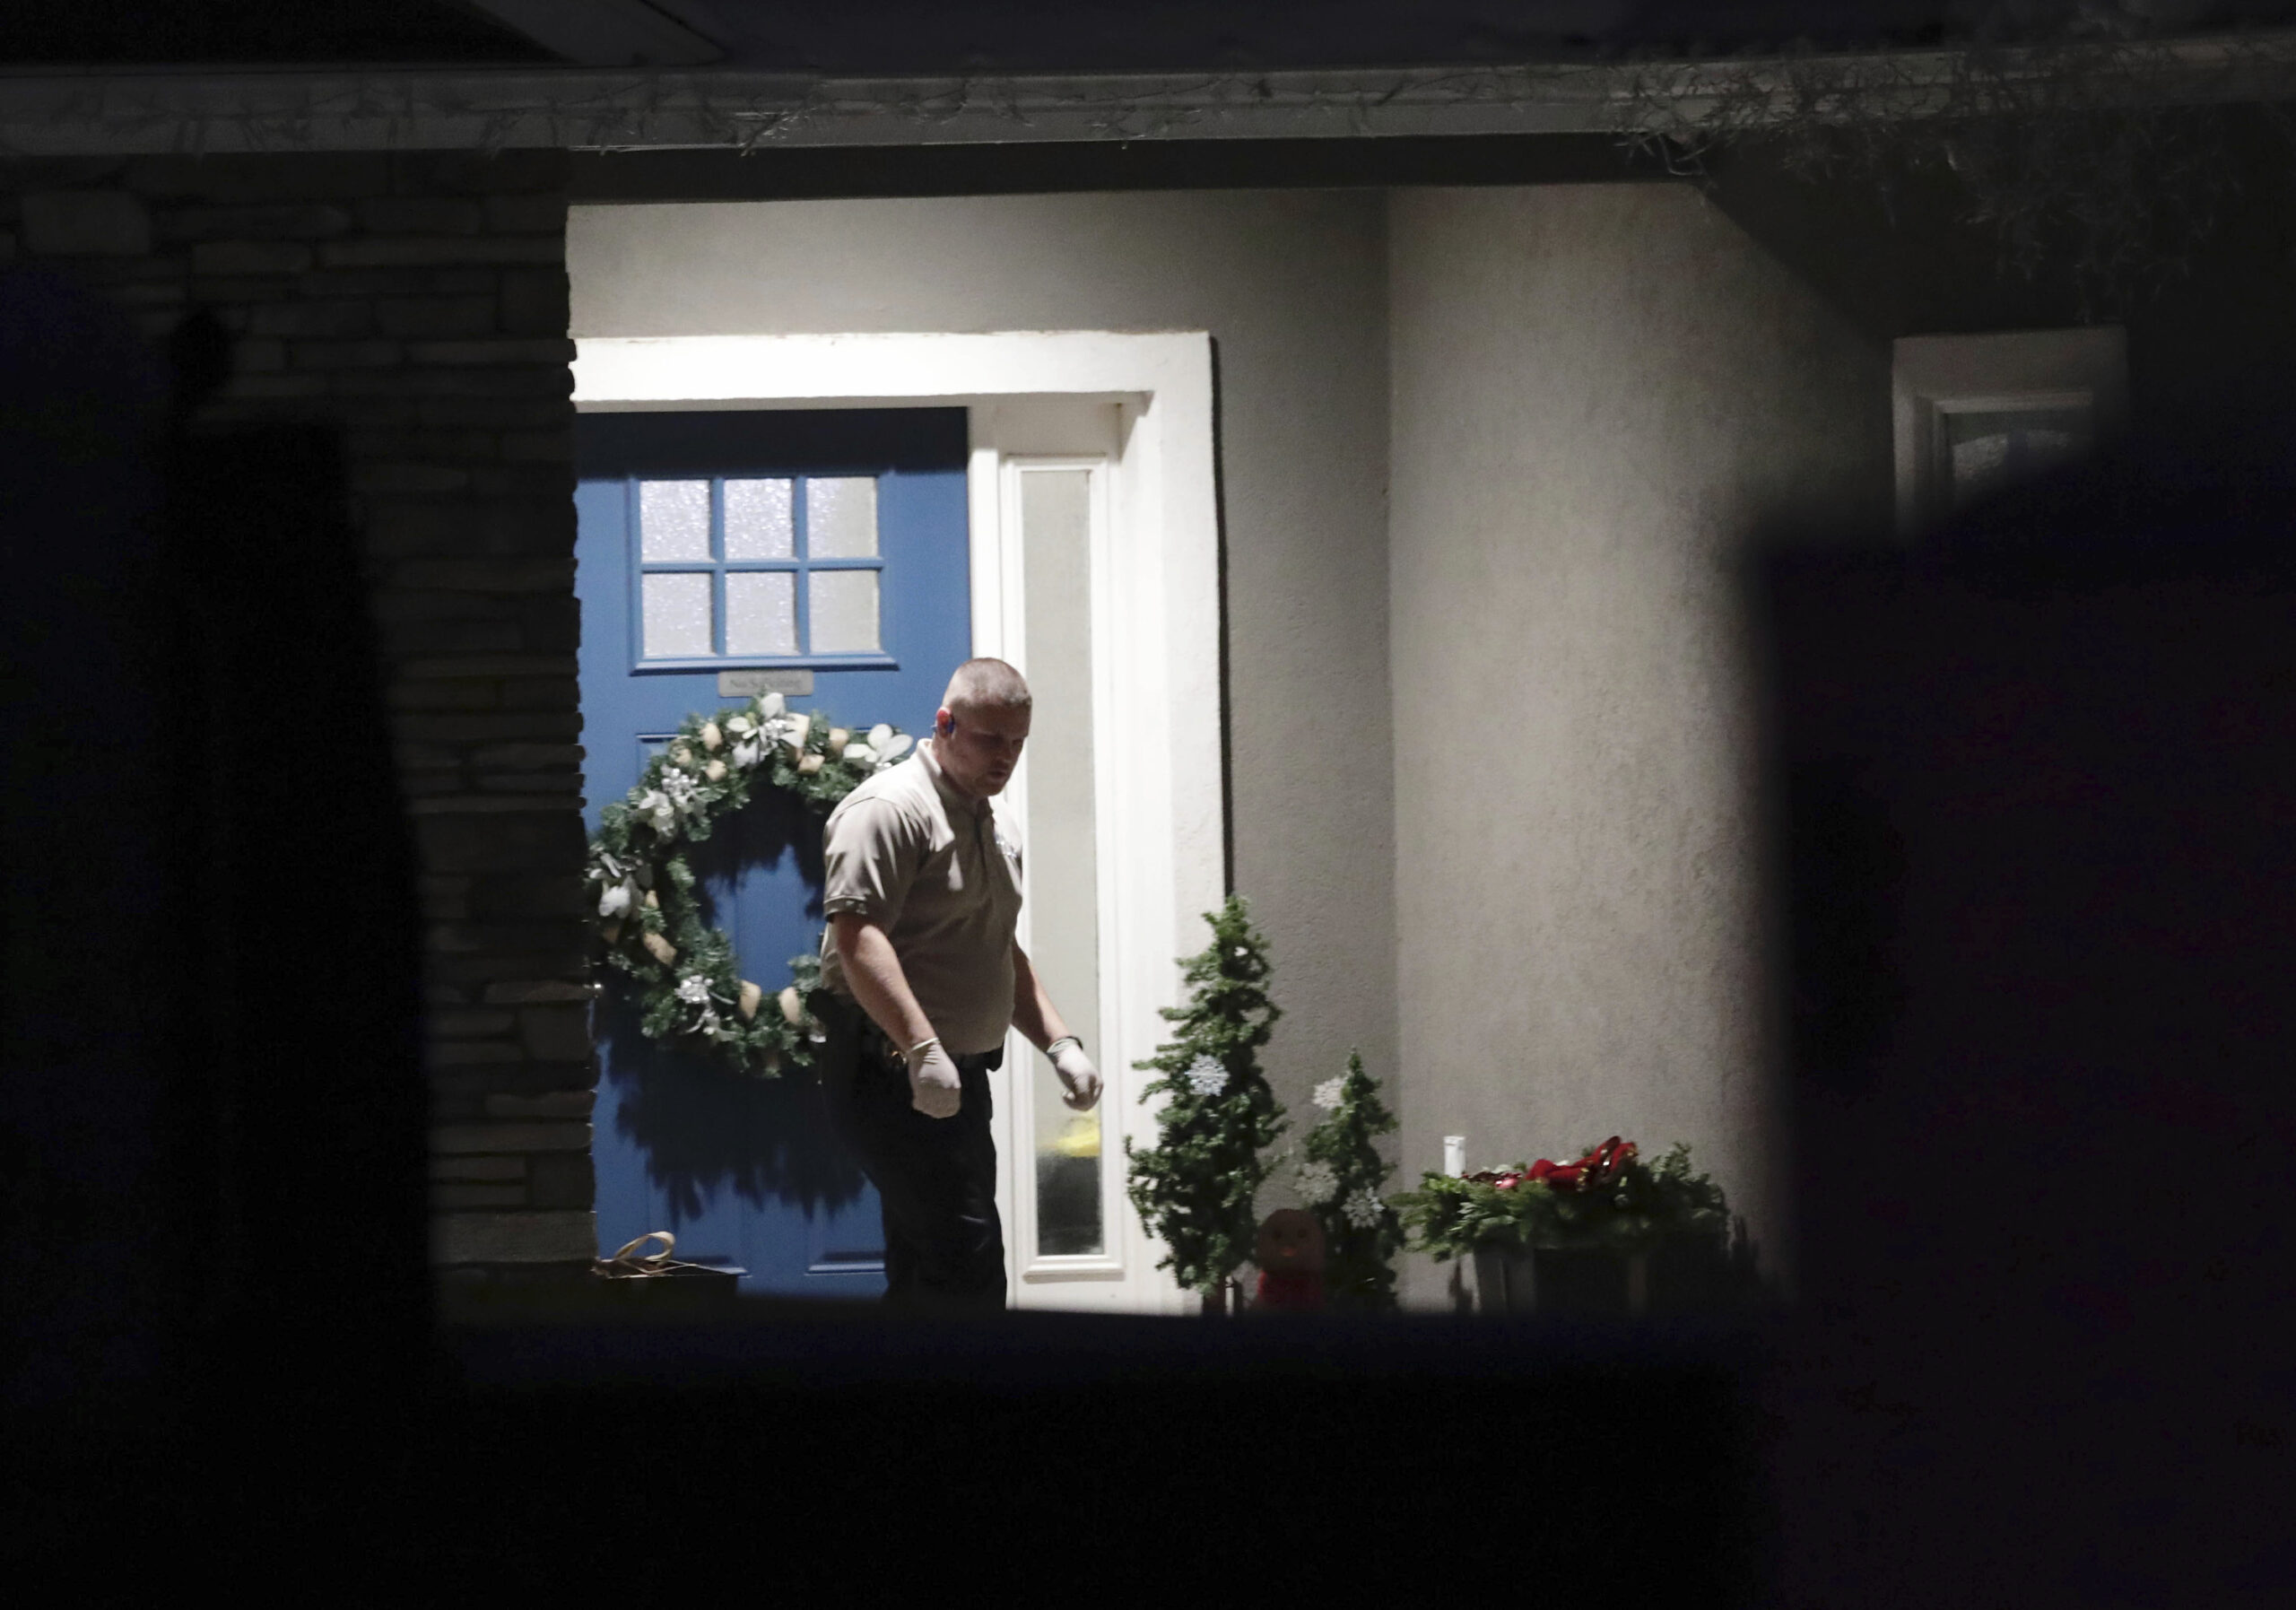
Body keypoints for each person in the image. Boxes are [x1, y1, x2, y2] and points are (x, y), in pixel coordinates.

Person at [816, 657, 1103, 1311]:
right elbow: (858, 938)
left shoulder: (996, 825)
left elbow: (994, 947)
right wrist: (922, 1049)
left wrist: (1060, 1042)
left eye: (1018, 742)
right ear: (945, 723)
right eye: (991, 738)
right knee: (966, 1271)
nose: (1007, 756)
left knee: (927, 1272)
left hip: (958, 1080)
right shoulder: (890, 809)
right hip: (889, 1073)